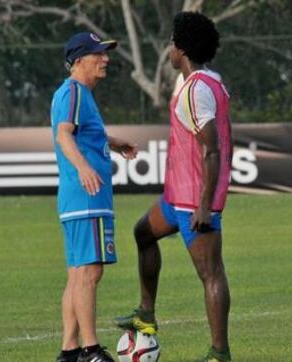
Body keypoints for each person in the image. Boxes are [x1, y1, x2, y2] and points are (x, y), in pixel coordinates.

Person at [114, 11, 233, 362]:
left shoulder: (196, 91)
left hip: (195, 199)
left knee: (210, 273)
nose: (168, 48)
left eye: (171, 43)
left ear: (181, 49)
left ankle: (219, 353)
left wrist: (204, 205)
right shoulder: (203, 80)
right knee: (143, 233)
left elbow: (212, 149)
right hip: (176, 195)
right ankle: (146, 314)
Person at [51, 31, 138, 362]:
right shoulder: (73, 90)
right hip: (87, 195)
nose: (106, 59)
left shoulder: (79, 94)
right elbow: (64, 135)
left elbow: (85, 133)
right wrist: (86, 168)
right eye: (98, 53)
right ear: (79, 60)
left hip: (80, 198)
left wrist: (115, 143)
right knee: (89, 272)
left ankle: (69, 350)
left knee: (79, 273)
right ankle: (90, 350)